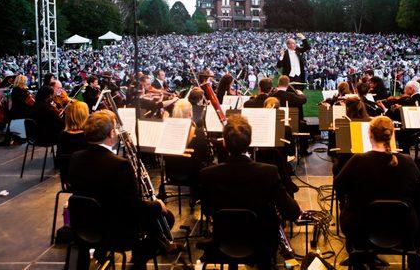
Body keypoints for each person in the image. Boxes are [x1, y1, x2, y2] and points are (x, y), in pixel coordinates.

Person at [68, 110, 174, 270]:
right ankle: (140, 259)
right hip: (115, 231)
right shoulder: (120, 165)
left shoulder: (75, 157)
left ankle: (102, 254)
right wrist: (157, 205)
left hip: (85, 226)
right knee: (166, 218)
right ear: (111, 133)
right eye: (116, 129)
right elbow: (133, 207)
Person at [200, 115, 301, 270]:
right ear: (249, 143)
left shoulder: (207, 174)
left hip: (224, 241)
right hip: (261, 243)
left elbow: (207, 209)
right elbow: (290, 211)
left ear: (225, 143)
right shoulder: (269, 172)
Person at [334, 116, 420, 269]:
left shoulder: (358, 160)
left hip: (362, 227)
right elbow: (419, 194)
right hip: (402, 227)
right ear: (392, 134)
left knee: (348, 207)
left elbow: (339, 187)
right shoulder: (408, 162)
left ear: (369, 135)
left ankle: (358, 258)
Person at [57, 100, 90, 185]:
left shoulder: (62, 135)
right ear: (84, 116)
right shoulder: (88, 136)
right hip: (88, 180)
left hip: (69, 180)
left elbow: (59, 160)